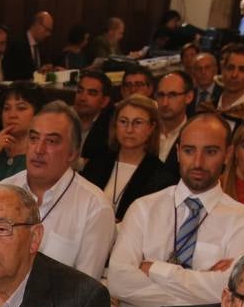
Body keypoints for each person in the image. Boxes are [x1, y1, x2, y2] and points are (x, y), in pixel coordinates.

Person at [106, 113, 244, 307]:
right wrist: (203, 286)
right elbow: (118, 281)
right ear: (178, 152)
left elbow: (230, 293)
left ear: (228, 155)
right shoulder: (144, 207)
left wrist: (155, 269)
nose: (198, 162)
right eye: (189, 151)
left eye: (210, 152)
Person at [0, 101, 117, 281]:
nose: (39, 150)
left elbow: (85, 291)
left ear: (73, 153)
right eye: (33, 138)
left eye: (51, 141)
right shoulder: (1, 192)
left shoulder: (95, 208)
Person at [80, 94, 177, 222]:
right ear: (115, 125)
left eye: (138, 122)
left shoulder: (161, 177)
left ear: (151, 128)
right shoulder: (96, 164)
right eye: (123, 121)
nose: (129, 129)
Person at [74, 69, 116, 167]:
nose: (82, 98)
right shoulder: (65, 119)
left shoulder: (110, 129)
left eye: (91, 93)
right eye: (80, 91)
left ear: (104, 101)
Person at [155, 70, 195, 163]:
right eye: (161, 95)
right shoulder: (146, 132)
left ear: (189, 97)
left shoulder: (196, 135)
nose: (165, 103)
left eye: (172, 95)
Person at [4, 11, 54, 79]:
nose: (48, 34)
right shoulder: (17, 44)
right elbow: (12, 74)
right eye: (47, 29)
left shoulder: (42, 47)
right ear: (37, 24)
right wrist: (37, 74)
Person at [216, 44, 244, 113]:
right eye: (230, 68)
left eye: (242, 70)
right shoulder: (206, 108)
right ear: (223, 70)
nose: (234, 75)